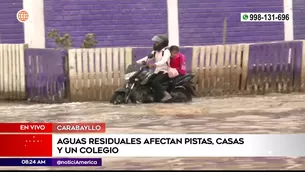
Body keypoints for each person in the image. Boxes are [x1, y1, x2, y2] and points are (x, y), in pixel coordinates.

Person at [136, 34, 172, 102]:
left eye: (156, 43)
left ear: (162, 43)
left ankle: (166, 95)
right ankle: (154, 97)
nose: (154, 44)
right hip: (157, 71)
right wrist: (137, 63)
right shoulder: (155, 52)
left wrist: (153, 65)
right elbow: (147, 58)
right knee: (147, 81)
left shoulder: (166, 51)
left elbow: (163, 61)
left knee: (155, 82)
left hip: (165, 72)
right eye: (155, 43)